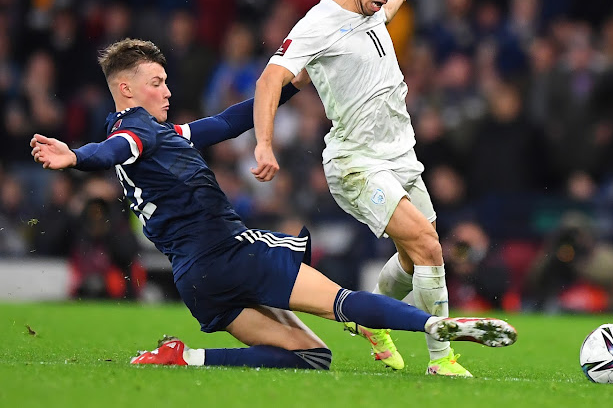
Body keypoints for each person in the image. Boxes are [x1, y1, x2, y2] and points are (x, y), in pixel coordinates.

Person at [30, 38, 517, 370]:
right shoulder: (134, 130)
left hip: (197, 279)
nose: (167, 89)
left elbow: (227, 122)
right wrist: (76, 156)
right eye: (156, 81)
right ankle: (435, 324)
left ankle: (185, 358)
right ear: (125, 89)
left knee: (312, 356)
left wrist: (290, 84)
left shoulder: (162, 134)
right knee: (340, 301)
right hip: (229, 254)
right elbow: (112, 150)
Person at [252, 0, 498, 376]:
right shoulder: (317, 24)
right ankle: (442, 358)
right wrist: (264, 144)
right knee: (428, 246)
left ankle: (370, 318)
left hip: (402, 157)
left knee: (412, 257)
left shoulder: (376, 9)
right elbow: (269, 79)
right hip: (357, 163)